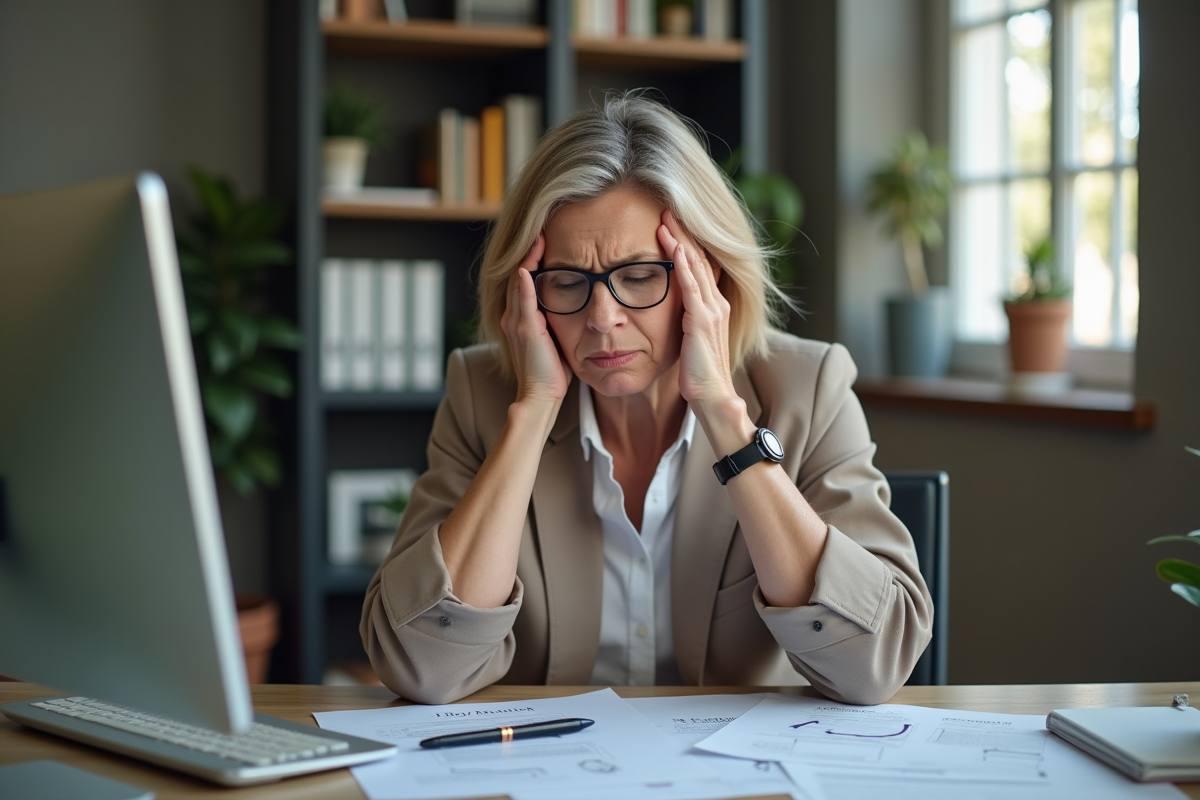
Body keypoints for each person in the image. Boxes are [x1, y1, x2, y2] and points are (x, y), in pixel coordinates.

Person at [360, 93, 933, 706]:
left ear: (708, 275)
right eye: (566, 281)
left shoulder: (808, 387)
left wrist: (723, 414)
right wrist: (532, 413)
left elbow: (872, 665)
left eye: (638, 277)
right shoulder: (481, 395)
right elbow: (421, 666)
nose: (602, 318)